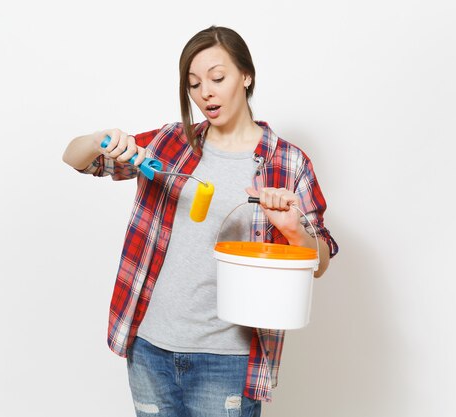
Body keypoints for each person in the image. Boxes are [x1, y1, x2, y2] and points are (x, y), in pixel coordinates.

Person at [62, 25, 338, 417]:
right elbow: (77, 159)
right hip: (150, 348)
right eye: (193, 83)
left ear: (246, 76)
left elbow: (321, 263)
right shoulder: (170, 143)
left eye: (217, 78)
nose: (204, 92)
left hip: (227, 358)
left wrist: (295, 230)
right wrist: (98, 139)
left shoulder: (288, 162)